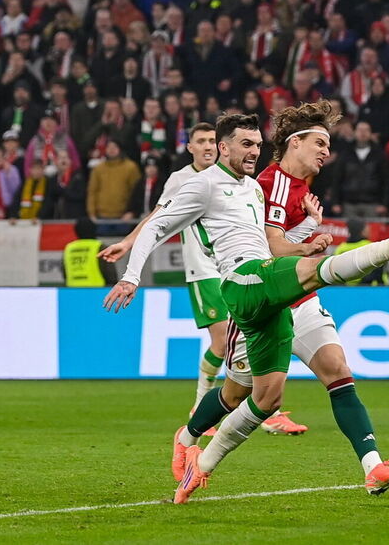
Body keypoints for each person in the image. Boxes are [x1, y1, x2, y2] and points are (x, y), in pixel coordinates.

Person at [104, 114, 389, 503]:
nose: (255, 152)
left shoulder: (253, 190)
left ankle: (197, 466)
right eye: (246, 145)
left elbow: (269, 244)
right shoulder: (202, 185)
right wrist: (131, 276)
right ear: (224, 147)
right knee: (314, 278)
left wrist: (307, 230)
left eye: (257, 145)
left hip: (269, 282)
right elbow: (156, 226)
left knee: (267, 396)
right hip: (242, 283)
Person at [100, 123, 308, 433]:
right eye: (202, 141)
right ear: (192, 147)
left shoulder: (249, 186)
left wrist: (306, 233)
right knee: (225, 342)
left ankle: (260, 405)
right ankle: (208, 407)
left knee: (248, 340)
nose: (208, 146)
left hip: (246, 272)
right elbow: (158, 219)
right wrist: (130, 254)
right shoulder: (188, 181)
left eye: (212, 139)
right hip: (204, 270)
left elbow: (263, 239)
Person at [63, 217, 117, 287]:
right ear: (94, 229)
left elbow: (65, 273)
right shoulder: (100, 247)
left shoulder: (69, 248)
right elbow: (110, 273)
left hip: (72, 291)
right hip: (97, 291)